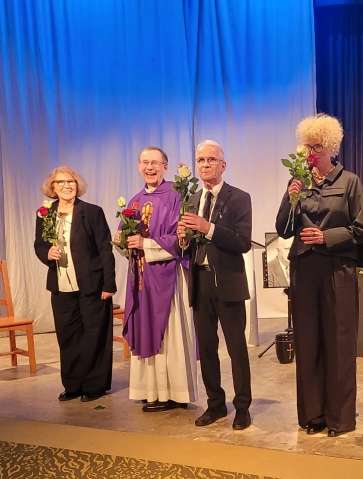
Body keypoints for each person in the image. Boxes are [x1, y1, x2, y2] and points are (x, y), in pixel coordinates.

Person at [275, 113, 363, 438]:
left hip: (337, 269)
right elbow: (282, 229)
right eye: (307, 146)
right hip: (304, 269)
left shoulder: (349, 182)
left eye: (317, 146)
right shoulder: (297, 182)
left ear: (331, 147)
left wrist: (326, 237)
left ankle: (340, 418)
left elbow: (361, 229)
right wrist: (291, 199)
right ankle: (313, 416)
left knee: (339, 342)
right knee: (307, 341)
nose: (312, 152)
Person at [177, 140, 253, 430]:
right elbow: (185, 247)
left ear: (223, 165)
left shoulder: (239, 198)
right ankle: (215, 404)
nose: (205, 164)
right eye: (201, 160)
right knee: (207, 348)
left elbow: (243, 242)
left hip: (229, 283)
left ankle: (242, 407)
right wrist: (183, 239)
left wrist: (207, 228)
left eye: (211, 159)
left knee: (236, 348)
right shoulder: (192, 199)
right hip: (201, 282)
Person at [117, 146, 198, 413]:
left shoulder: (177, 195)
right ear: (138, 166)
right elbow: (126, 243)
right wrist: (122, 242)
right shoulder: (134, 201)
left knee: (170, 334)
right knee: (145, 328)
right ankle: (150, 390)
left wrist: (147, 243)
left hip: (168, 276)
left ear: (165, 166)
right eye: (144, 163)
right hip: (141, 278)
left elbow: (183, 238)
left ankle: (173, 392)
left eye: (155, 163)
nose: (149, 168)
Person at [34, 166, 116, 402]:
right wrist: (46, 253)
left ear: (77, 185)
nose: (66, 186)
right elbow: (39, 244)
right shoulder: (45, 213)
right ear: (52, 187)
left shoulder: (91, 212)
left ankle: (95, 385)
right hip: (61, 285)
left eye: (70, 181)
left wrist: (109, 284)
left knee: (94, 335)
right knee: (68, 336)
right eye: (60, 182)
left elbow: (104, 248)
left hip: (92, 284)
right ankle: (73, 384)